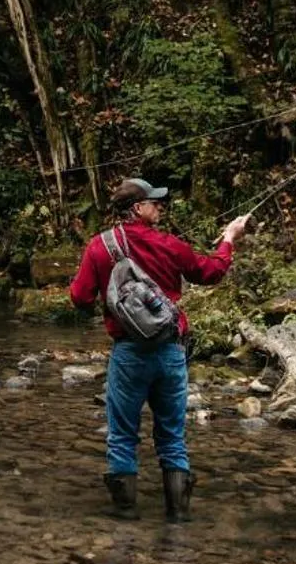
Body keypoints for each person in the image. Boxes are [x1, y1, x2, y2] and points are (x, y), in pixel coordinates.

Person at [67, 177, 251, 521]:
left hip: (128, 352)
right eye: (154, 202)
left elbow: (79, 297)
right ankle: (177, 521)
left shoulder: (99, 246)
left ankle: (124, 518)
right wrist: (228, 240)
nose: (160, 206)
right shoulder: (170, 245)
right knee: (171, 436)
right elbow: (210, 272)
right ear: (138, 209)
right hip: (169, 351)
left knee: (122, 435)